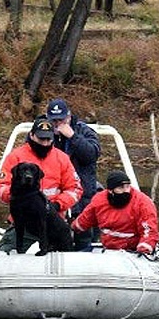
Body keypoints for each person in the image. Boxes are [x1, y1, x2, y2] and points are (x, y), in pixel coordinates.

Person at [0, 116, 82, 253]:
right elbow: (0, 188)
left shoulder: (62, 159)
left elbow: (75, 189)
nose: (45, 143)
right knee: (5, 253)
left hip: (52, 220)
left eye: (48, 139)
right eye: (41, 139)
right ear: (31, 135)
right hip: (22, 222)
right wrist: (16, 195)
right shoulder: (16, 156)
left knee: (67, 251)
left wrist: (57, 204)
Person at [45, 98, 101, 250]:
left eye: (61, 120)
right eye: (53, 120)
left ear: (68, 117)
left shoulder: (84, 131)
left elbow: (91, 154)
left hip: (82, 195)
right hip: (54, 196)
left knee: (83, 235)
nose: (57, 124)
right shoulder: (42, 132)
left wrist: (73, 137)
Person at [71, 170, 159, 254]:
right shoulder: (99, 200)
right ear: (110, 190)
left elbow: (149, 230)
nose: (126, 191)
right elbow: (85, 219)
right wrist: (72, 228)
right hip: (109, 248)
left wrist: (143, 249)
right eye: (121, 188)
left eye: (127, 186)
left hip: (131, 250)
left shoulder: (142, 203)